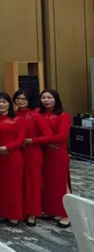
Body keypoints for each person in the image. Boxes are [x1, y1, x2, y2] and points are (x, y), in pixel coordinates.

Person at [13, 89, 52, 227]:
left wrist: (31, 140)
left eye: (24, 99)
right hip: (16, 152)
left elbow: (48, 136)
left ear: (29, 100)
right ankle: (20, 211)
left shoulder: (35, 116)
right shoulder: (13, 114)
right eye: (18, 98)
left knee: (32, 183)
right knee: (18, 183)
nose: (21, 101)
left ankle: (32, 213)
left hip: (32, 153)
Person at [37, 89, 71, 228]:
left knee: (61, 183)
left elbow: (62, 136)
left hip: (58, 153)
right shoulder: (38, 114)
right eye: (43, 97)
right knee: (47, 182)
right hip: (44, 152)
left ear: (56, 99)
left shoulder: (63, 115)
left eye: (49, 97)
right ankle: (50, 210)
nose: (46, 100)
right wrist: (47, 142)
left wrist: (46, 140)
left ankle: (67, 214)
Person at [0, 92, 25, 226]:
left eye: (4, 102)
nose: (1, 104)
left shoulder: (17, 119)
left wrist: (7, 147)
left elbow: (21, 139)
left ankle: (14, 215)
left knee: (13, 187)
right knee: (0, 186)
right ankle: (2, 212)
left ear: (9, 104)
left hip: (12, 156)